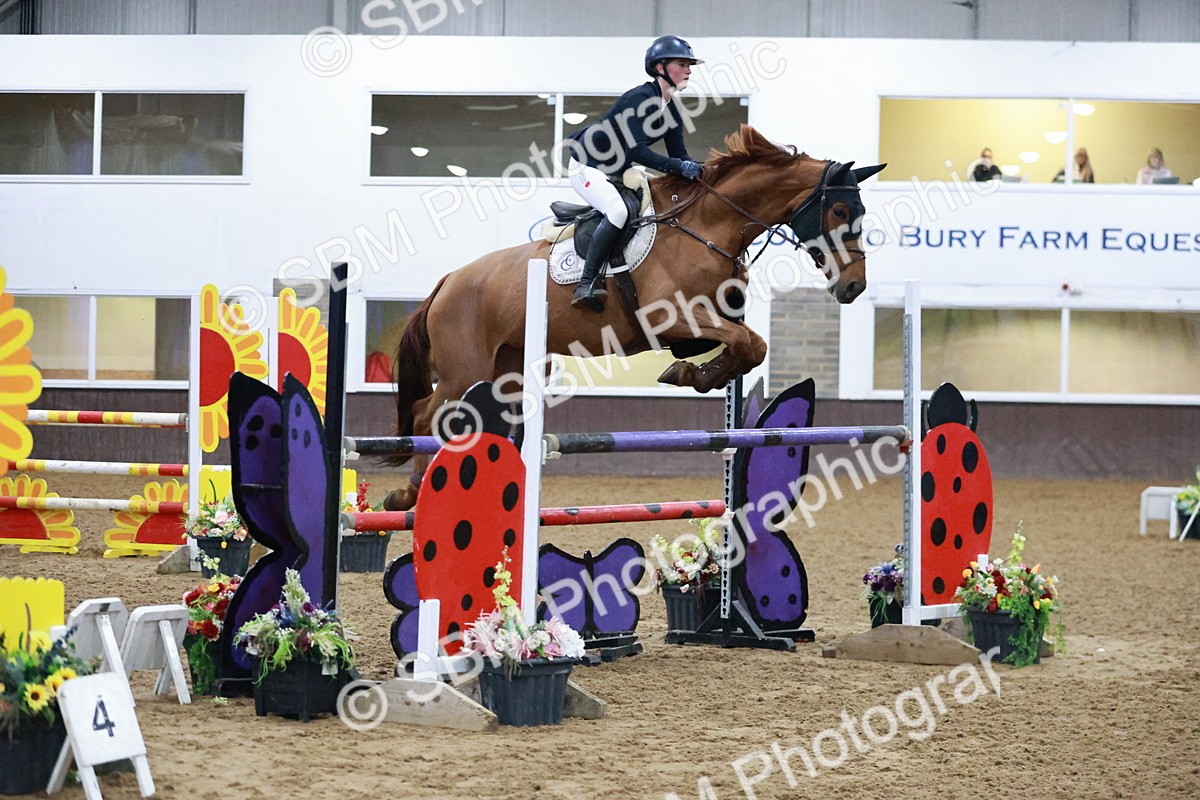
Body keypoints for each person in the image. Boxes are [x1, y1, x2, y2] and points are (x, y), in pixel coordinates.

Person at [566, 35, 705, 312]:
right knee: (617, 211)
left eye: (690, 64)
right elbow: (636, 152)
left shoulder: (671, 109)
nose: (689, 69)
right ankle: (586, 283)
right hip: (587, 166)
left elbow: (679, 155)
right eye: (682, 63)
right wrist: (679, 167)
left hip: (616, 171)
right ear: (660, 67)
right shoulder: (638, 99)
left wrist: (704, 172)